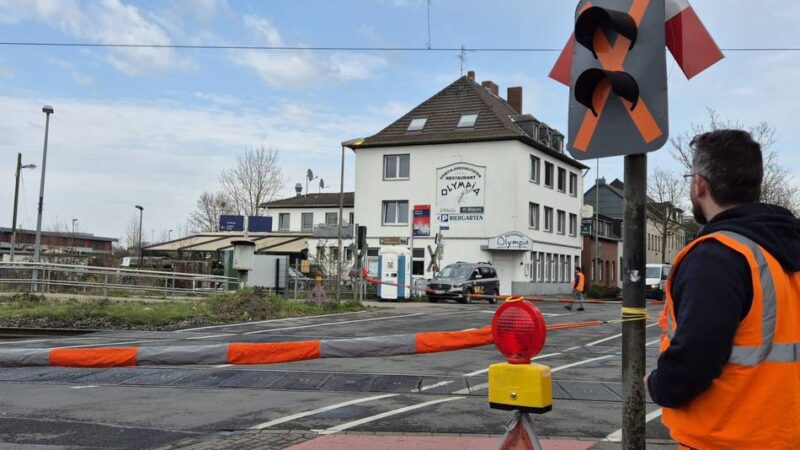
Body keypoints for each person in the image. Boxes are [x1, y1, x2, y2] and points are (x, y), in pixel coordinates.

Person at [646, 129, 800, 449]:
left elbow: (695, 359)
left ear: (699, 184)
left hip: (726, 437)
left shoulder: (716, 256)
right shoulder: (784, 249)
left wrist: (658, 385)